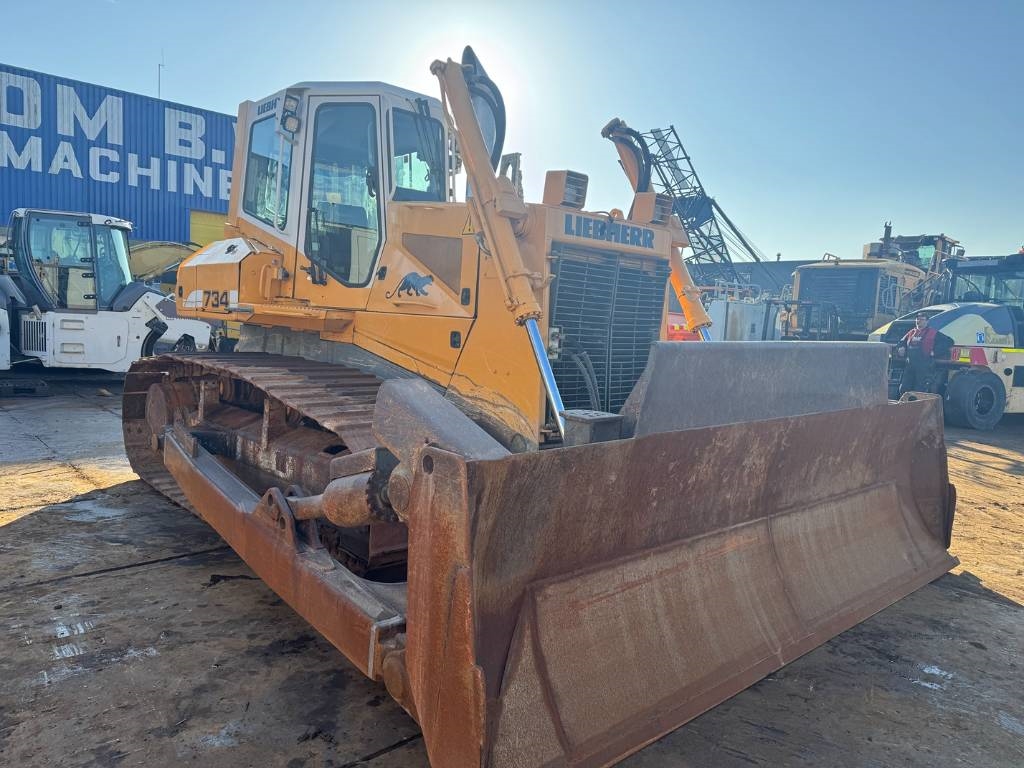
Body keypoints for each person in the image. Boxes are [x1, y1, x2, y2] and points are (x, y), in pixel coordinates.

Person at [896, 313, 953, 395]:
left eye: (921, 319)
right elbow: (901, 342)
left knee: (919, 390)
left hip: (924, 366)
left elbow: (949, 341)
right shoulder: (912, 332)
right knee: (904, 388)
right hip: (910, 365)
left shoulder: (933, 333)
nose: (918, 321)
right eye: (917, 319)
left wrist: (935, 352)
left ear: (927, 321)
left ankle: (917, 406)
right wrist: (901, 348)